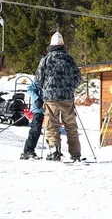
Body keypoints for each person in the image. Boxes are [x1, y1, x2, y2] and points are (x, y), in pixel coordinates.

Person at [35, 31, 82, 161]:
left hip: (51, 98)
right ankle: (76, 153)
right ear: (62, 45)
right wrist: (70, 88)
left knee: (52, 125)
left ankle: (54, 150)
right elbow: (78, 78)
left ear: (50, 45)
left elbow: (38, 79)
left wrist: (46, 87)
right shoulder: (70, 60)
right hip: (67, 98)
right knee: (71, 126)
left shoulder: (45, 60)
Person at [20, 82, 44, 160]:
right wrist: (37, 99)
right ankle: (28, 150)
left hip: (53, 108)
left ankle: (54, 151)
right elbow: (30, 89)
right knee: (36, 130)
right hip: (39, 109)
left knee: (53, 130)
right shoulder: (40, 79)